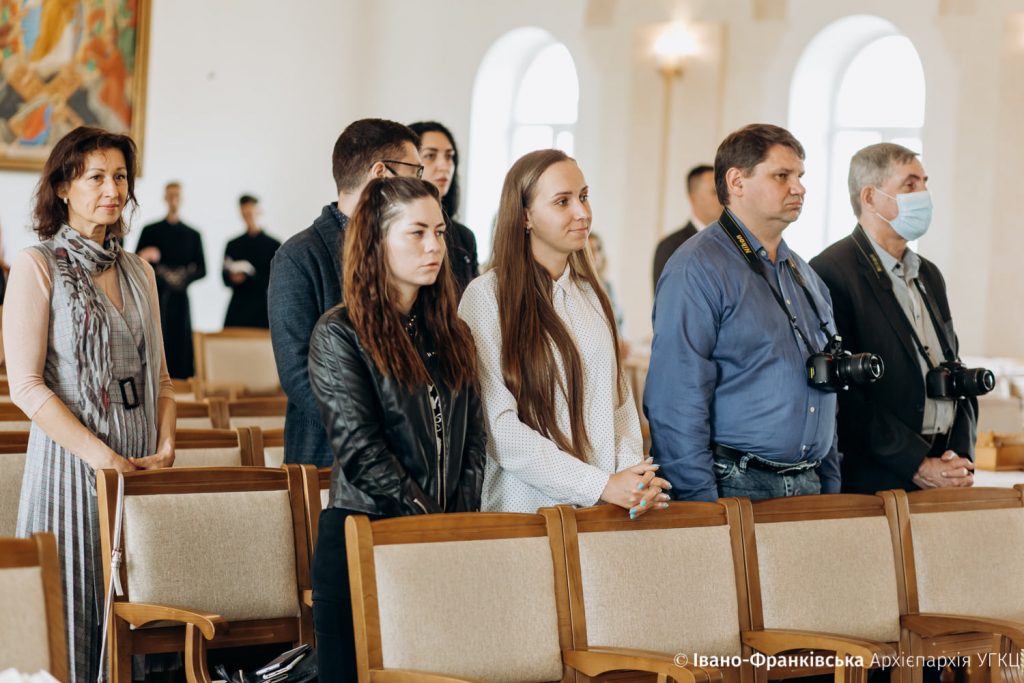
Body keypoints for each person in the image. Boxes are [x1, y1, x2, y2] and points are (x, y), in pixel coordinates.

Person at [5, 126, 175, 682]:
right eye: (96, 175)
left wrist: (168, 443)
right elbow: (27, 386)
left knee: (137, 634)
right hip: (69, 470)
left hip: (139, 471)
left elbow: (164, 381)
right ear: (62, 186)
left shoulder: (141, 272)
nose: (112, 188)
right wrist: (99, 455)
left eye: (121, 176)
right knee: (76, 631)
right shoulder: (38, 265)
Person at [308, 177, 485, 680]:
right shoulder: (340, 332)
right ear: (376, 242)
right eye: (417, 233)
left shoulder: (453, 331)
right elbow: (361, 451)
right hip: (363, 533)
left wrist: (456, 524)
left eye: (440, 232)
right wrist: (427, 523)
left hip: (441, 536)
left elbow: (474, 441)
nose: (434, 246)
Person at [459, 149, 667, 517]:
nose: (582, 213)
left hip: (602, 511)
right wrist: (599, 484)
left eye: (584, 197)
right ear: (525, 217)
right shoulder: (486, 297)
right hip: (524, 512)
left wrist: (632, 482)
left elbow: (619, 407)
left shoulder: (591, 294)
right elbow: (500, 430)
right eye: (562, 202)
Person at [645, 123, 841, 502]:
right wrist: (699, 506)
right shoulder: (697, 267)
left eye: (800, 176)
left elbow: (824, 383)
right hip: (735, 483)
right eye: (782, 176)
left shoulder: (806, 276)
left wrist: (830, 482)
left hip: (809, 483)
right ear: (736, 182)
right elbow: (675, 400)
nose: (798, 188)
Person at [810, 143, 978, 494]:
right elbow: (843, 395)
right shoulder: (832, 271)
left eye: (925, 182)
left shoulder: (928, 273)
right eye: (910, 184)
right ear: (870, 197)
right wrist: (915, 463)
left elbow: (953, 367)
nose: (924, 194)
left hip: (944, 466)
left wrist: (958, 456)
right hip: (878, 475)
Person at [268, 119, 422, 467]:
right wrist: (375, 430)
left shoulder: (407, 247)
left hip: (411, 452)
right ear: (382, 173)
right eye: (416, 171)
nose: (422, 184)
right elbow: (298, 374)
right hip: (331, 454)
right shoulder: (299, 256)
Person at [136, 181, 206, 379]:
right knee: (159, 337)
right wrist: (159, 270)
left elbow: (202, 269)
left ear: (182, 199)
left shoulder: (193, 235)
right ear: (165, 198)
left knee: (181, 343)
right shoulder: (150, 230)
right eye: (171, 195)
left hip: (181, 298)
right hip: (157, 296)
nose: (174, 199)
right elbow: (135, 261)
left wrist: (182, 278)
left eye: (177, 195)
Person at [408, 121, 479, 293]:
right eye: (430, 156)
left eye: (449, 157)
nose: (445, 166)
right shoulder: (392, 232)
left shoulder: (464, 237)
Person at [652, 164, 722, 289]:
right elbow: (666, 302)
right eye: (714, 192)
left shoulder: (732, 243)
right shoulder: (671, 247)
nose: (723, 199)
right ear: (694, 198)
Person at [222, 194, 281, 328]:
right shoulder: (233, 244)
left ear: (259, 212)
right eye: (244, 214)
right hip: (238, 307)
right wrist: (232, 278)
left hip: (262, 308)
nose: (248, 217)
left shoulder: (273, 245)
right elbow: (224, 278)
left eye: (250, 213)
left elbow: (276, 280)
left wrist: (251, 276)